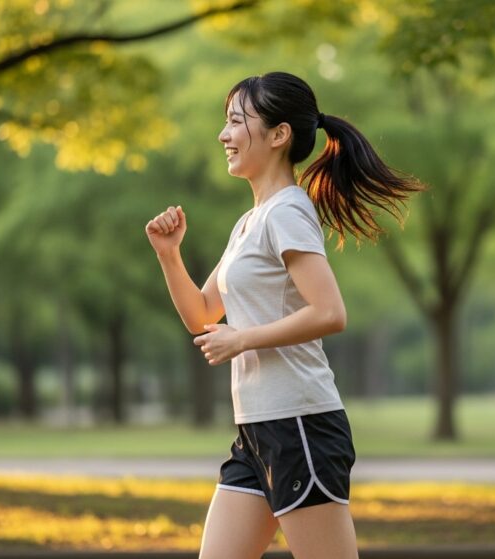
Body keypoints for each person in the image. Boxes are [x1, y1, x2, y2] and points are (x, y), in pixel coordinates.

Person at [145, 71, 422, 559]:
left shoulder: (287, 212)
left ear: (278, 135)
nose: (223, 135)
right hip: (256, 431)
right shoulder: (251, 221)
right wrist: (169, 254)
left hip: (301, 424)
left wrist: (244, 339)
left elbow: (330, 312)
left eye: (235, 122)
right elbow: (203, 315)